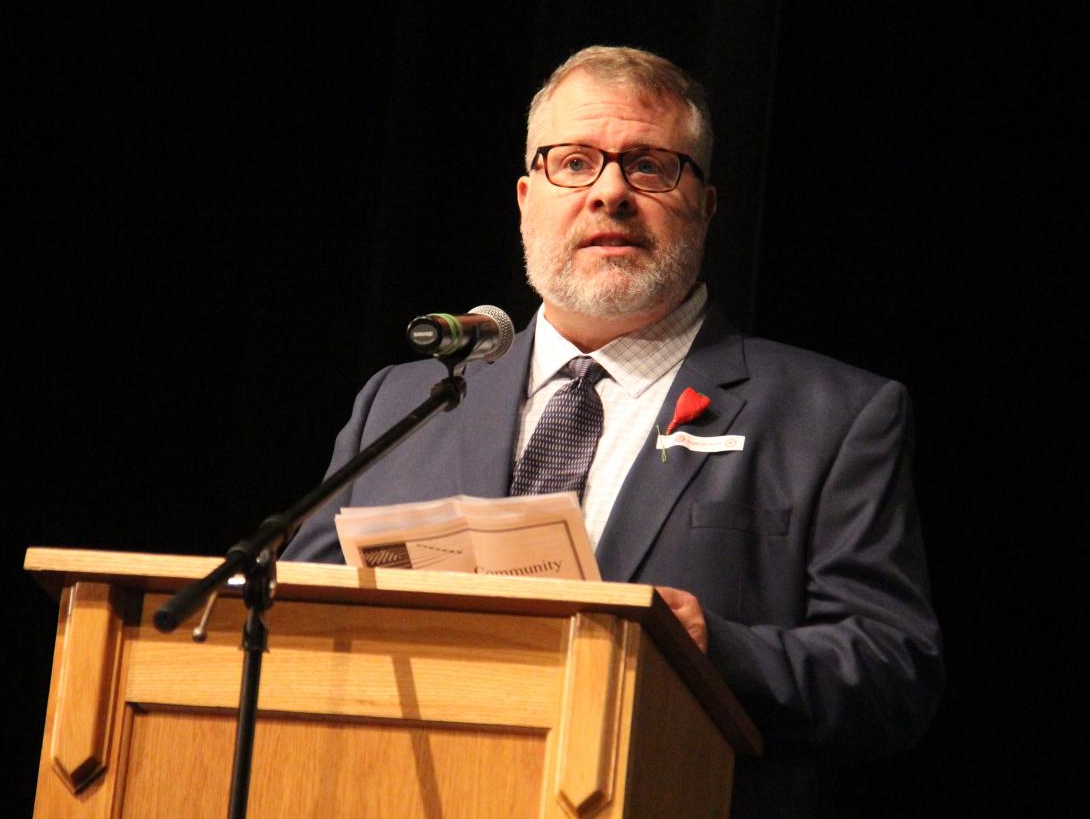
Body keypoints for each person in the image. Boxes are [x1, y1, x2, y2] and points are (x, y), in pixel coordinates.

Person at [282, 45, 943, 815]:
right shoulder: (403, 403)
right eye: (575, 162)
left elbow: (895, 672)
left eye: (650, 166)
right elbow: (296, 617)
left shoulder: (832, 415)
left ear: (707, 204)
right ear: (526, 198)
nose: (609, 194)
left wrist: (715, 648)